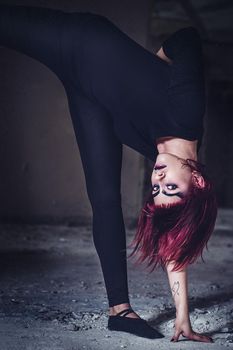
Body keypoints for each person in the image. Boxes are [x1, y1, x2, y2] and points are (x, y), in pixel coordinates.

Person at [0, 4, 217, 342]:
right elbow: (186, 38)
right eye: (171, 188)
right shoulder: (186, 111)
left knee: (104, 200)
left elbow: (175, 239)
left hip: (90, 102)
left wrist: (182, 318)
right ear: (198, 179)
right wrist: (152, 66)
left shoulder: (160, 155)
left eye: (157, 192)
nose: (157, 183)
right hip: (77, 42)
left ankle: (120, 310)